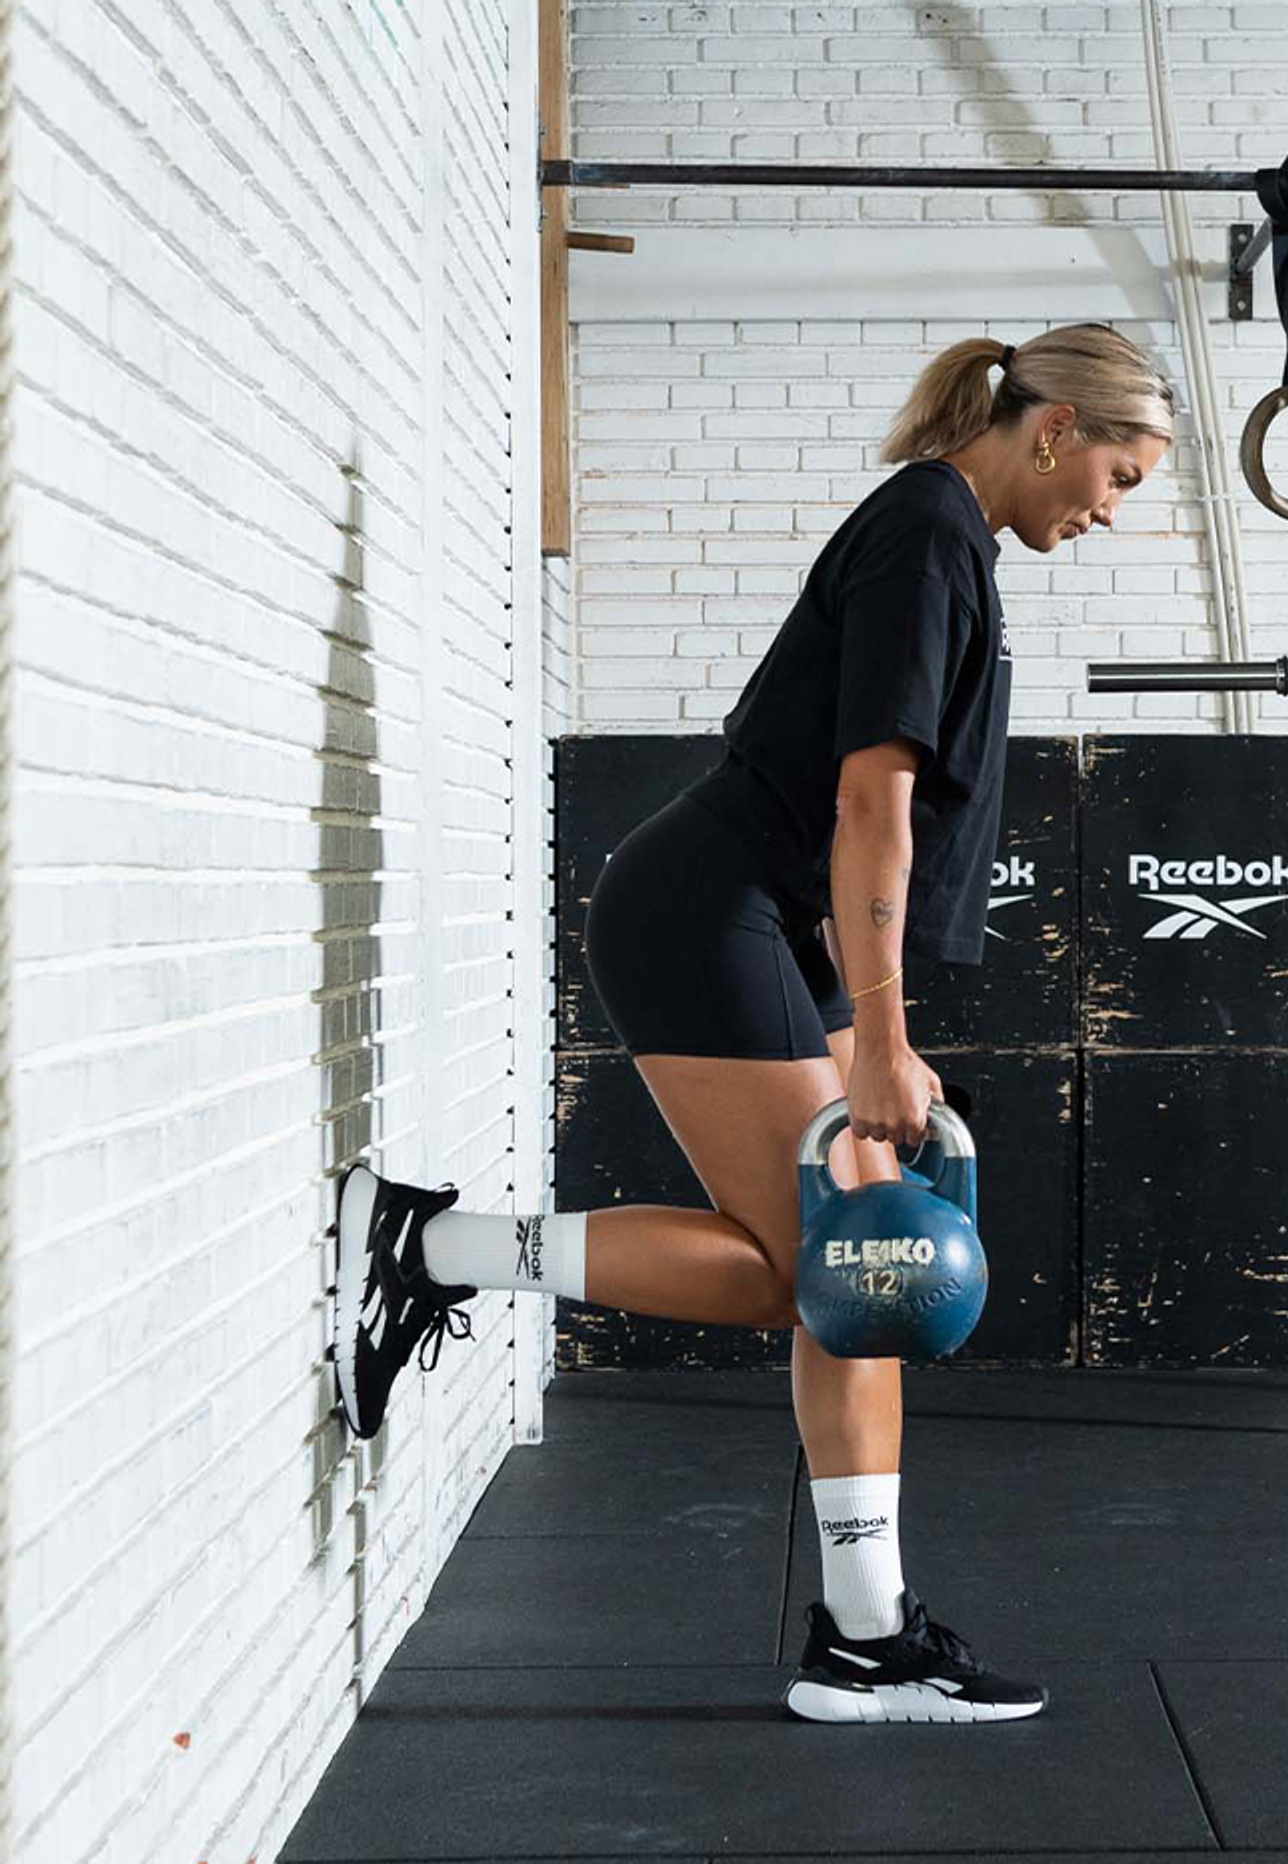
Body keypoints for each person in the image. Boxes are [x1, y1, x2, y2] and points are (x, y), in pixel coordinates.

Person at [330, 323, 1174, 1725]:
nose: (1110, 509)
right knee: (815, 1271)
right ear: (1054, 429)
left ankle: (866, 1634)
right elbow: (869, 802)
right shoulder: (927, 538)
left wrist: (878, 1023)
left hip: (770, 921)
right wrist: (880, 1032)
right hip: (704, 908)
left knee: (868, 1268)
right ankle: (430, 1248)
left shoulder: (950, 542)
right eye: (1120, 476)